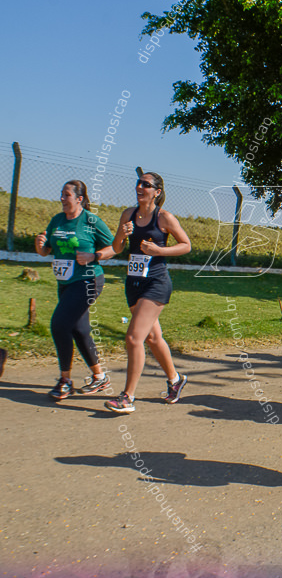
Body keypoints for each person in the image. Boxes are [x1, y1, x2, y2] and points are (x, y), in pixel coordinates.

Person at [105, 173, 192, 414]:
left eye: (146, 185)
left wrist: (158, 250)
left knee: (134, 338)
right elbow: (116, 247)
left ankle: (127, 397)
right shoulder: (128, 214)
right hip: (133, 283)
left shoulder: (164, 218)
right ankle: (175, 380)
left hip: (156, 283)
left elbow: (186, 245)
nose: (139, 187)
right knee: (153, 338)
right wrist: (123, 233)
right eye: (138, 183)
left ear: (157, 192)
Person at [34, 180, 116, 400]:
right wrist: (40, 245)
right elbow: (46, 251)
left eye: (67, 195)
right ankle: (100, 377)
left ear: (79, 199)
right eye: (61, 194)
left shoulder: (91, 221)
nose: (62, 198)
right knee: (79, 329)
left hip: (89, 280)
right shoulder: (57, 220)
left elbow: (115, 247)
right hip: (66, 283)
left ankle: (65, 380)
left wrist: (94, 255)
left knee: (59, 324)